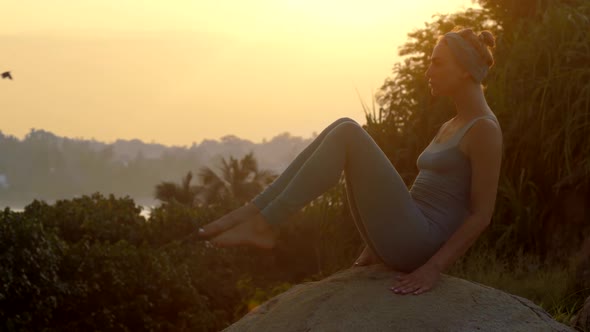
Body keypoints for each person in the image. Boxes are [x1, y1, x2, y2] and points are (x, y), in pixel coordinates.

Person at [198, 27, 503, 296]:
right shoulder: (451, 124)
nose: (428, 73)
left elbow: (481, 215)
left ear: (464, 70)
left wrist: (433, 269)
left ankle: (265, 222)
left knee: (348, 133)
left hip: (422, 245)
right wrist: (372, 247)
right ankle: (255, 211)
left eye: (436, 63)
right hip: (408, 234)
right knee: (342, 125)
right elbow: (416, 198)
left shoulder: (484, 130)